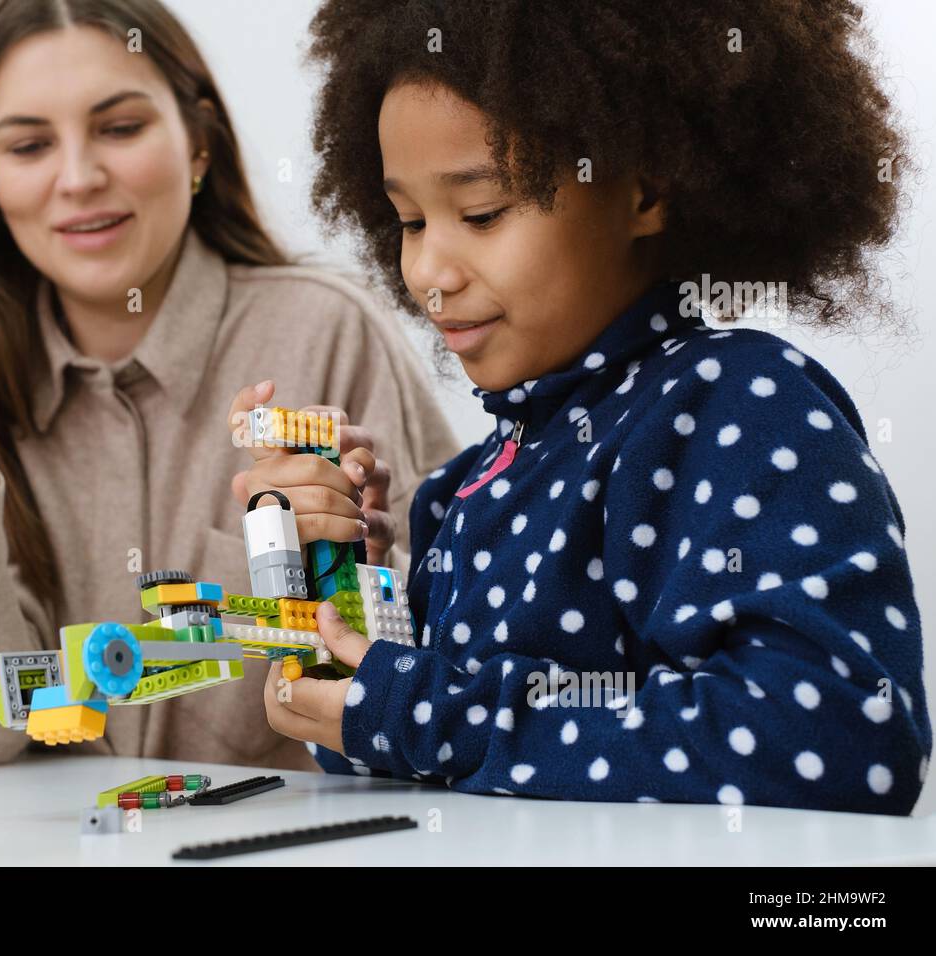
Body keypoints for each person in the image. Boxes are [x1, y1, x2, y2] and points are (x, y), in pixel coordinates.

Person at [261, 0, 932, 813]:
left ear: (643, 188)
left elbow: (836, 737)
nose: (430, 272)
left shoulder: (739, 407)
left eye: (482, 213)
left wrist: (422, 711)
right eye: (408, 221)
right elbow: (412, 765)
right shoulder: (463, 491)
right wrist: (342, 598)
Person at [0, 0, 461, 768]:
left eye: (121, 128)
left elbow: (450, 669)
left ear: (198, 142)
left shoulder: (326, 331)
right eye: (29, 145)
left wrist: (352, 567)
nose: (79, 178)